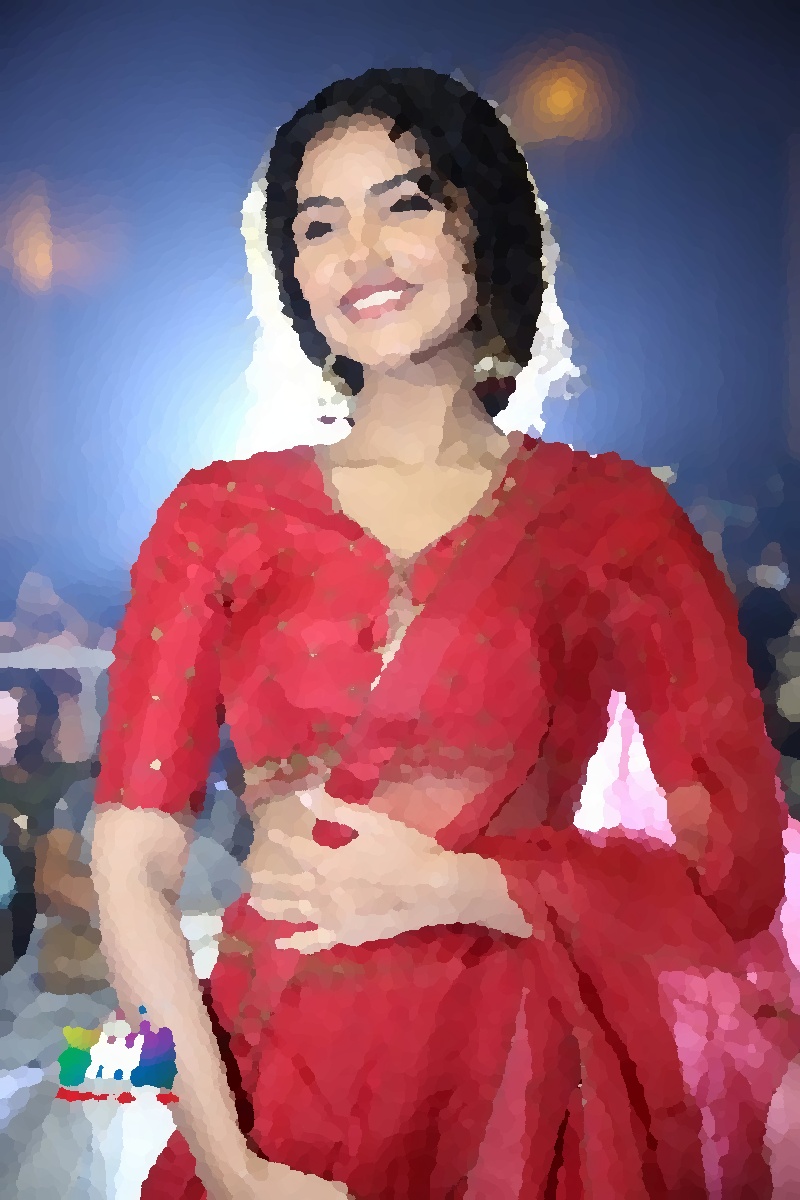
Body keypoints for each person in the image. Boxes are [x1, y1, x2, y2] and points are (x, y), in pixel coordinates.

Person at [91, 68, 788, 1199]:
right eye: (319, 225)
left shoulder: (610, 520)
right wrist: (227, 1161)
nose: (360, 252)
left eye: (405, 203)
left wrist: (470, 887)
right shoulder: (216, 518)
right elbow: (131, 869)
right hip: (274, 1082)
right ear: (293, 272)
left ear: (485, 227)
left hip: (524, 1084)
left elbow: (736, 869)